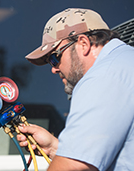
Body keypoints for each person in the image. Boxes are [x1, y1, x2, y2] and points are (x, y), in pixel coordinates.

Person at [17, 8, 134, 171]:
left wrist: (68, 159)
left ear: (83, 44)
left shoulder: (101, 77)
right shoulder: (123, 63)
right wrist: (54, 148)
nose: (54, 69)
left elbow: (73, 167)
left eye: (54, 57)